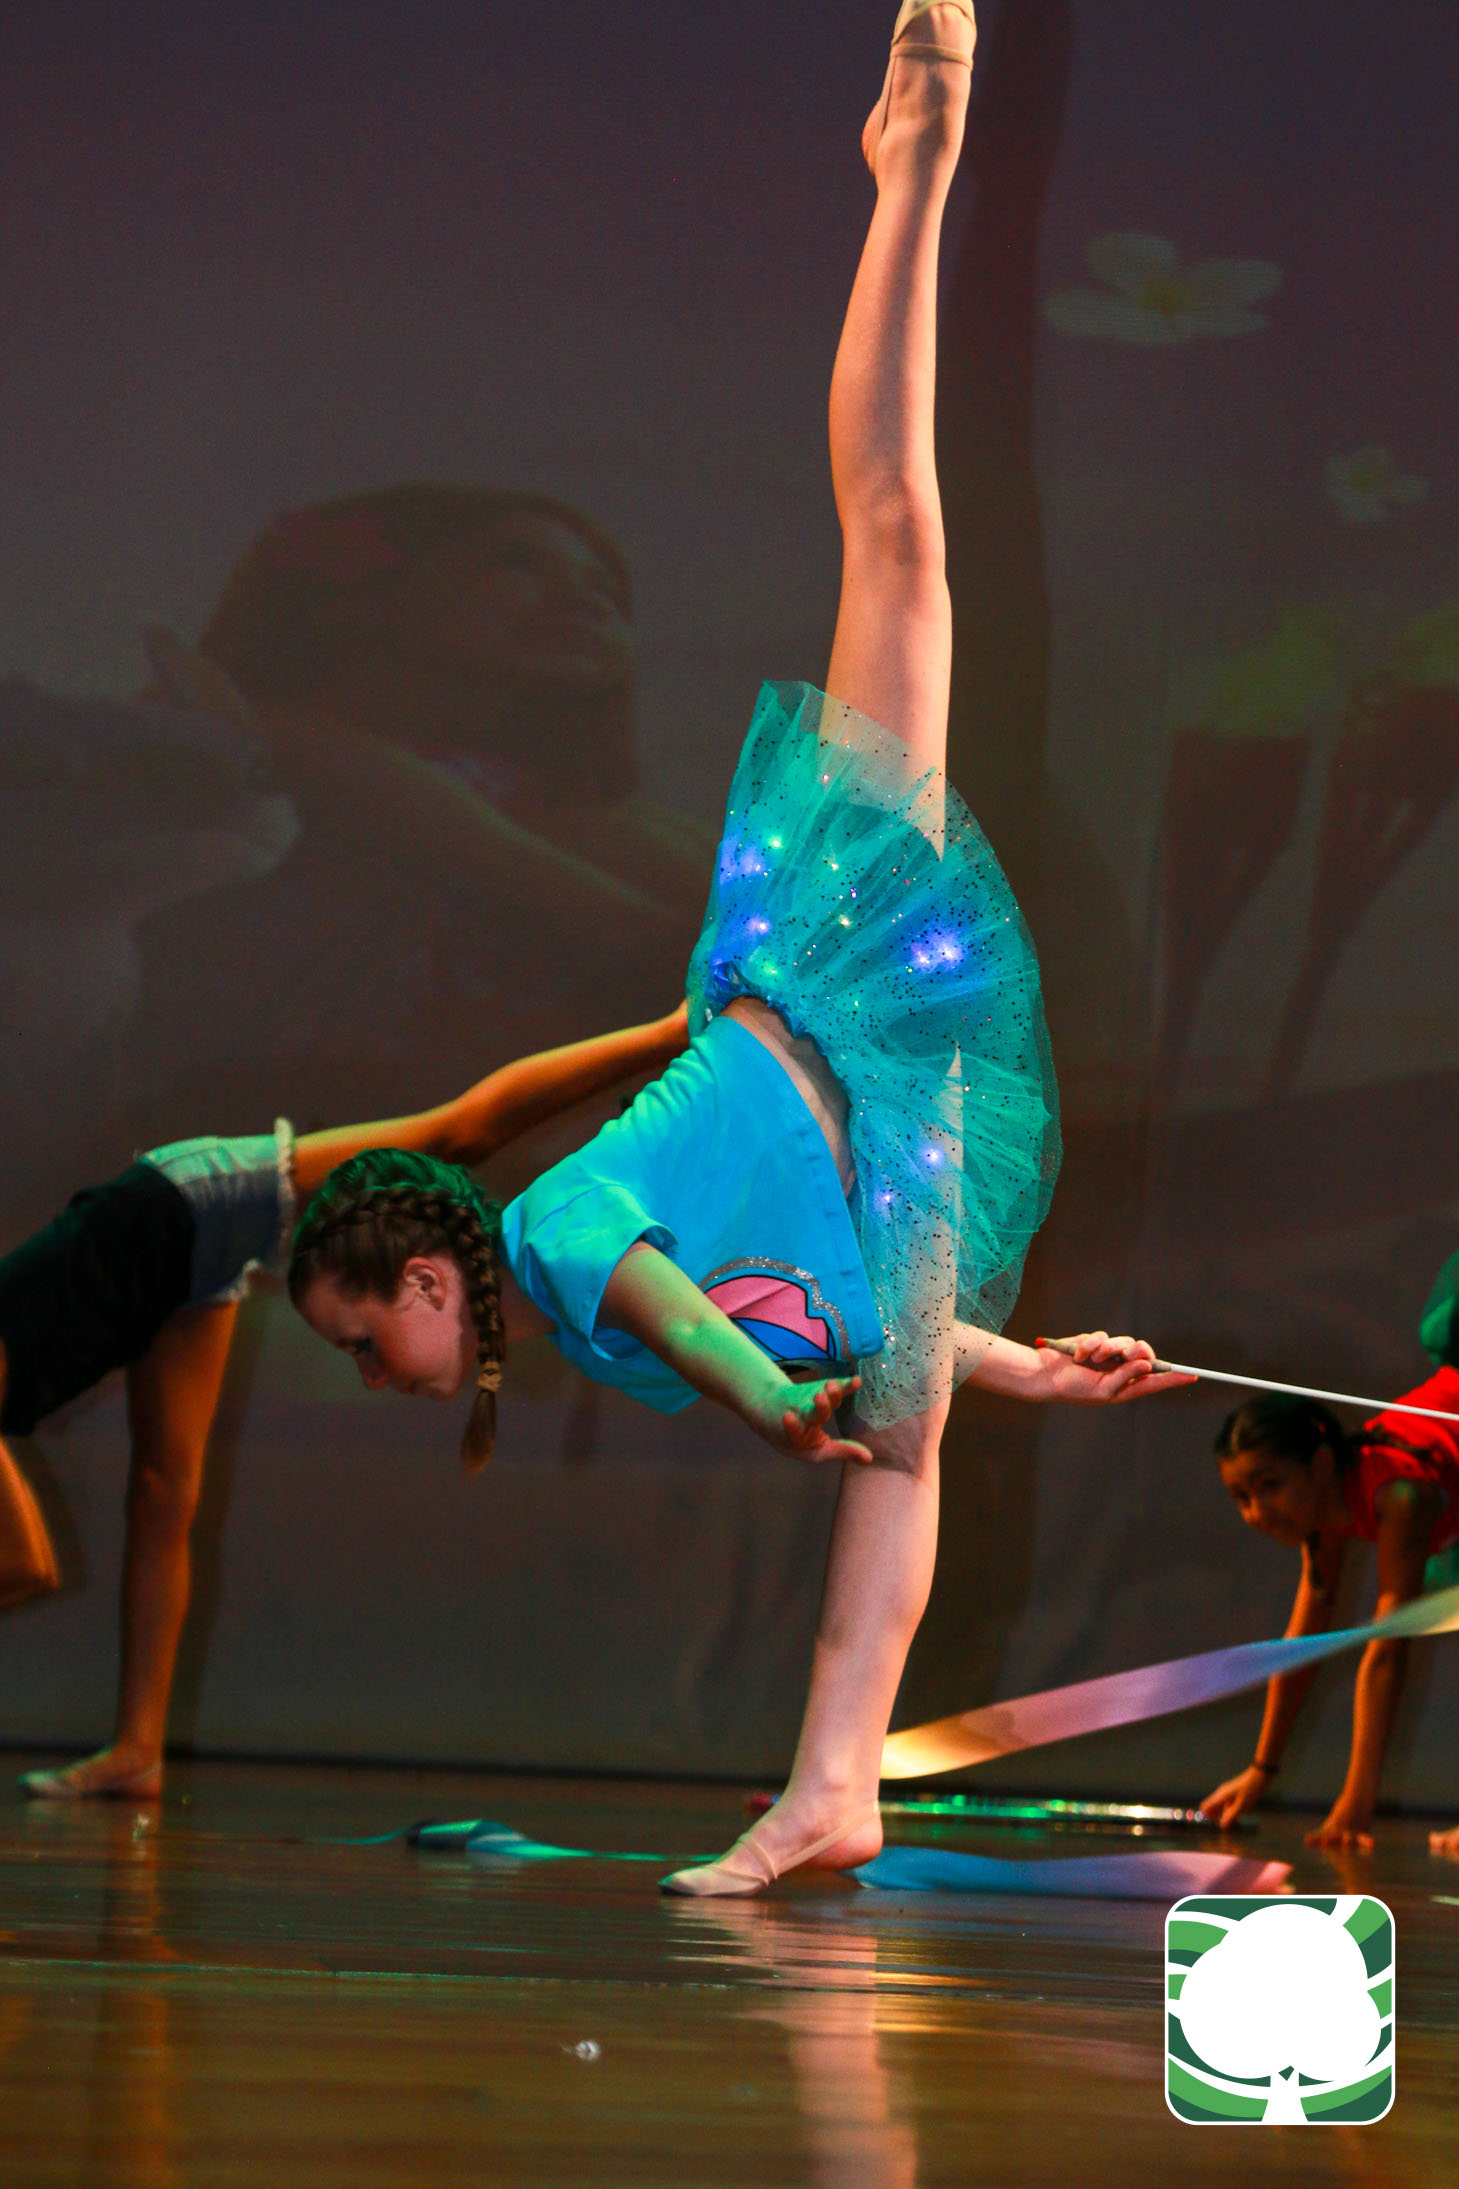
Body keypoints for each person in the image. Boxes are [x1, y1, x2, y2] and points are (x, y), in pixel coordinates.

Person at [288, 0, 1188, 1896]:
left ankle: (912, 157)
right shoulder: (592, 1329)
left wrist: (767, 1399)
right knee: (911, 1421)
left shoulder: (553, 1229)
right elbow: (827, 1314)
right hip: (891, 1126)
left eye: (366, 1335)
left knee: (896, 543)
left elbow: (704, 1323)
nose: (377, 1368)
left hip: (831, 979)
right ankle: (832, 1787)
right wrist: (1042, 1373)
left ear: (423, 1272)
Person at [0, 1007, 687, 1799]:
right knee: (164, 1492)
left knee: (456, 1134)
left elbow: (23, 1561)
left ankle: (666, 1033)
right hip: (182, 1257)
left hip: (173, 1204)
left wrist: (671, 1041)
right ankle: (138, 1750)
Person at [1199, 1371, 1459, 1850]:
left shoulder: (1397, 1493)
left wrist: (1356, 1806)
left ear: (1320, 1465)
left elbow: (1386, 1653)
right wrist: (1261, 1770)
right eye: (1242, 1497)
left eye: (1270, 1485)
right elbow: (1299, 1651)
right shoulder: (1325, 1513)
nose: (1257, 1512)